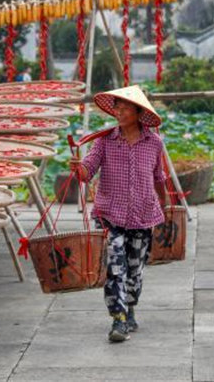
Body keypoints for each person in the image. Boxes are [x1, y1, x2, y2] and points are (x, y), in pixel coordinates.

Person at [69, 85, 167, 343]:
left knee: (135, 269)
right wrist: (78, 168)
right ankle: (118, 318)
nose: (119, 111)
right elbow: (87, 171)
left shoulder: (154, 142)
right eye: (117, 107)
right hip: (109, 214)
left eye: (125, 107)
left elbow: (159, 178)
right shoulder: (104, 140)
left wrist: (165, 208)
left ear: (138, 112)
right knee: (115, 266)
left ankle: (130, 306)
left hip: (144, 215)